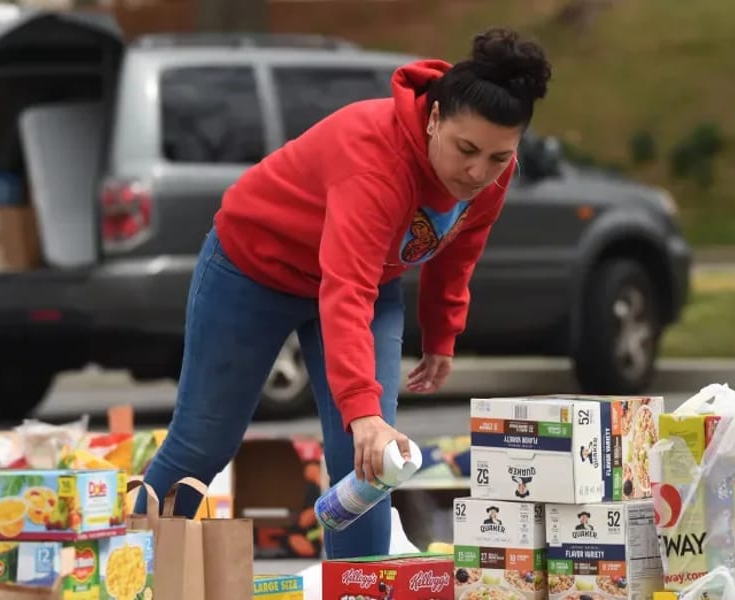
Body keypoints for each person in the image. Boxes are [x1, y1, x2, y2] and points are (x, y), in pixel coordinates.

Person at [135, 26, 552, 559]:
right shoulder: (375, 161)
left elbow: (459, 248)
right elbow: (345, 288)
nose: (478, 172)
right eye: (465, 149)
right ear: (433, 119)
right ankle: (132, 571)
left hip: (365, 282)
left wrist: (442, 333)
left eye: (497, 157)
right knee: (203, 442)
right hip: (254, 268)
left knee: (369, 461)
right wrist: (363, 410)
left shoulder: (494, 171)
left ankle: (360, 589)